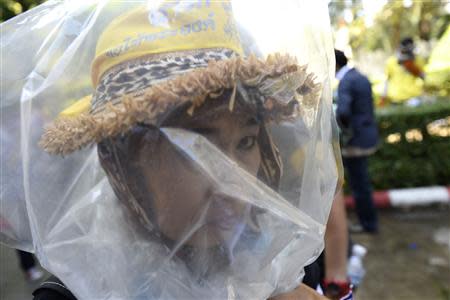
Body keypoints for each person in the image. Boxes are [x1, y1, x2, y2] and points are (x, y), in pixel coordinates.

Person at [25, 2, 338, 299]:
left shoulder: (279, 271)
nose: (235, 185)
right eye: (195, 151)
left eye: (246, 141)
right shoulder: (81, 291)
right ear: (123, 162)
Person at [334, 49, 378, 233]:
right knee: (363, 183)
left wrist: (339, 128)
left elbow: (343, 112)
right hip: (367, 134)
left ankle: (368, 224)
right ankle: (369, 221)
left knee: (359, 185)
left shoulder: (346, 82)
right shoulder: (359, 76)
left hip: (355, 141)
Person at [381, 37, 426, 105]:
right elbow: (386, 80)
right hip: (396, 98)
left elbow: (424, 77)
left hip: (413, 97)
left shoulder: (417, 60)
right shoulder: (391, 61)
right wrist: (383, 97)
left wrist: (414, 69)